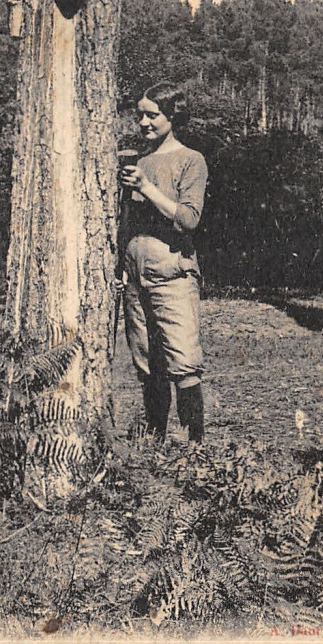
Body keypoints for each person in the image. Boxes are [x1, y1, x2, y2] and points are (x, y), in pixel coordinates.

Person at [120, 83, 208, 444]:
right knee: (147, 363)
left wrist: (147, 188)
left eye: (152, 114)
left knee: (183, 362)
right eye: (139, 114)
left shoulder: (191, 160)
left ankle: (194, 447)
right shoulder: (139, 161)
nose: (143, 122)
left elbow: (188, 219)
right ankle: (155, 441)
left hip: (172, 275)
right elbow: (127, 219)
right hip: (134, 277)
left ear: (173, 115)